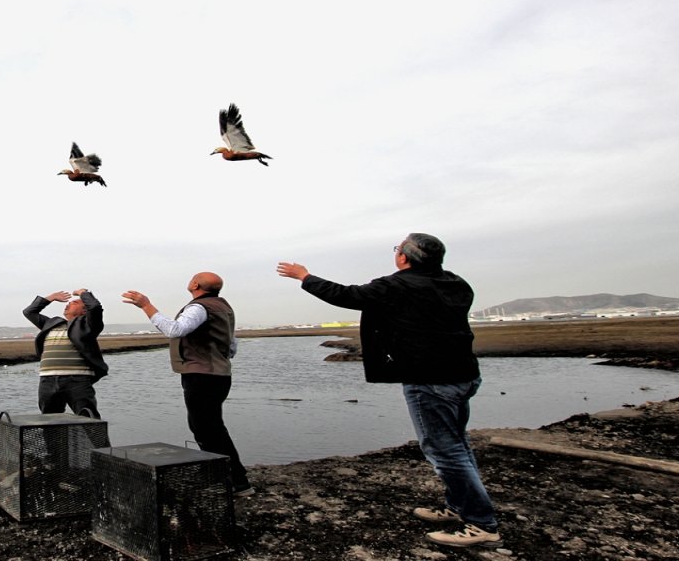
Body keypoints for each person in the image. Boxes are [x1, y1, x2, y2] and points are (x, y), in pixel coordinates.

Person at [277, 233, 500, 549]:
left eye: (398, 249)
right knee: (457, 444)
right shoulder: (456, 283)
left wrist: (304, 276)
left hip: (430, 380)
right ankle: (460, 507)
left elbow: (348, 296)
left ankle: (481, 524)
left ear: (405, 258)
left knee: (445, 450)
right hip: (463, 374)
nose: (396, 254)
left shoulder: (400, 285)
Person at [121, 272, 253, 496]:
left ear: (195, 284)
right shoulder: (223, 308)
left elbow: (175, 330)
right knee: (210, 427)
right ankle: (232, 479)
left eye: (192, 278)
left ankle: (233, 482)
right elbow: (231, 347)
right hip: (218, 374)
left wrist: (146, 305)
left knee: (206, 428)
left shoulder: (199, 307)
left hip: (202, 375)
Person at [22, 288, 109, 418]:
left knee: (89, 420)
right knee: (50, 421)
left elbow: (95, 307)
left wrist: (83, 293)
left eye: (74, 303)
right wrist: (50, 298)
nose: (68, 304)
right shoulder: (50, 323)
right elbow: (29, 312)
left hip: (77, 380)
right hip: (47, 380)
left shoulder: (88, 325)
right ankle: (55, 440)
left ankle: (98, 440)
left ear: (84, 310)